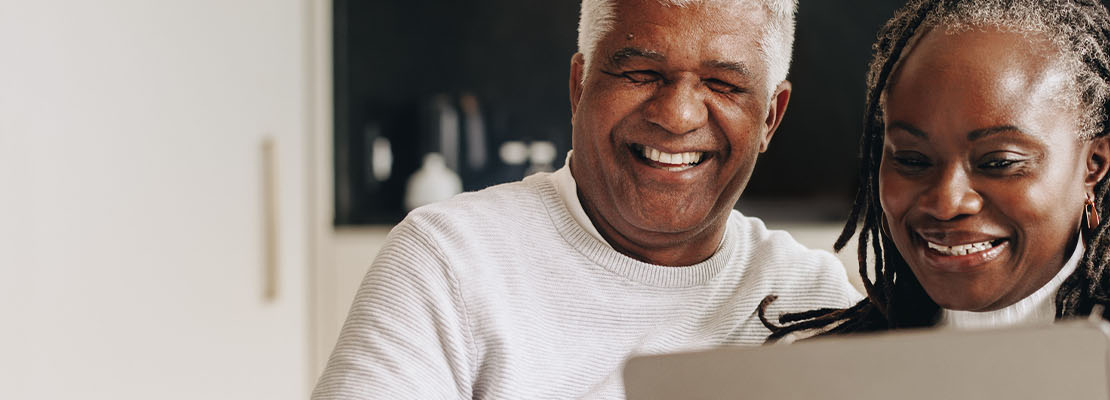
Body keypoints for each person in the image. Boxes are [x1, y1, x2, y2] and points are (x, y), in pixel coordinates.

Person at [761, 0, 1110, 398]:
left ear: (1094, 164)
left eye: (999, 163)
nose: (947, 200)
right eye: (911, 160)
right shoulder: (825, 362)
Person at [313, 0, 858, 398]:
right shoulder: (446, 260)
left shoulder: (811, 296)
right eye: (641, 73)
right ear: (579, 87)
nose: (678, 115)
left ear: (770, 117)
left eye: (723, 85)